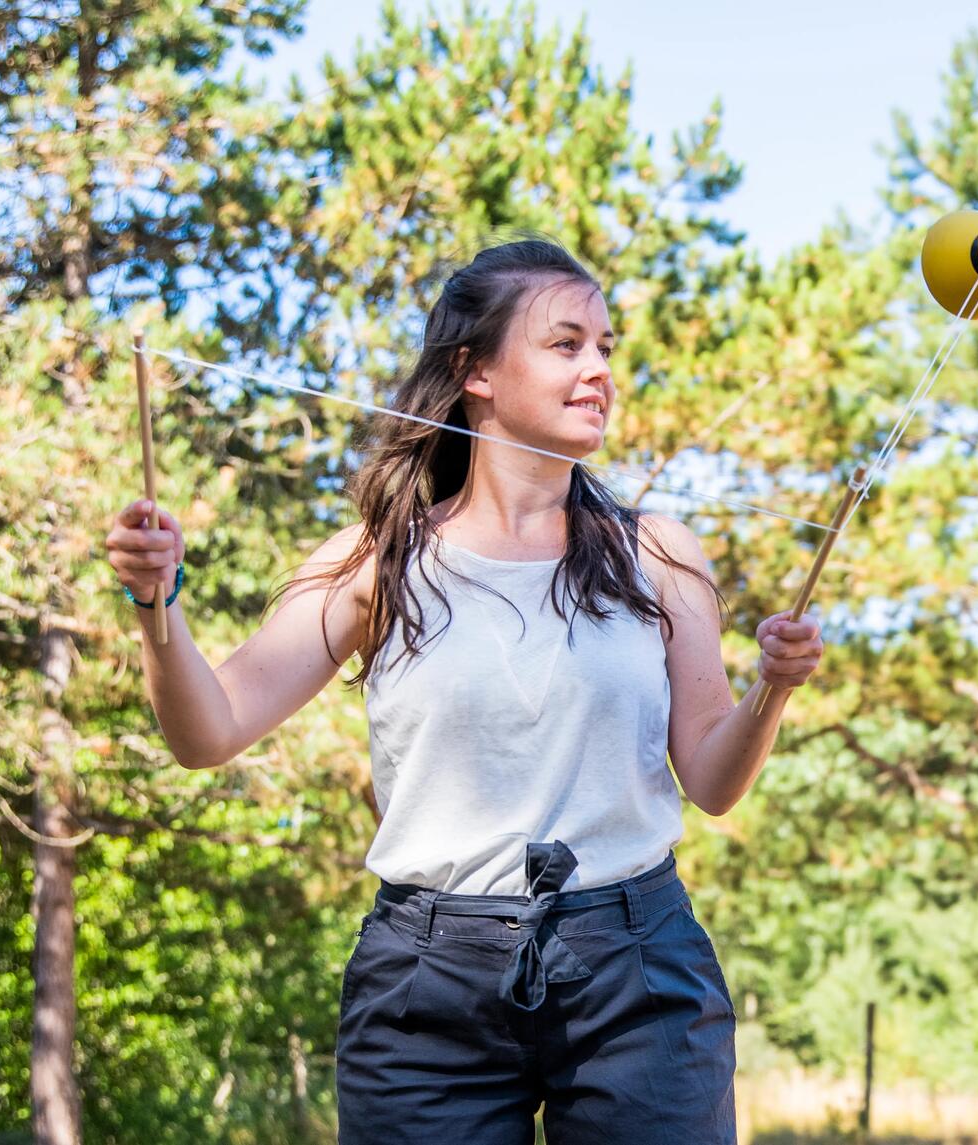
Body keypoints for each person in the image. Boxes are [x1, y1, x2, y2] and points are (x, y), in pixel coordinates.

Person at [103, 237, 825, 1143]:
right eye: (566, 344)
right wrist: (154, 604)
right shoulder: (376, 558)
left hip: (636, 969)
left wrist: (774, 687)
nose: (599, 368)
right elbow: (207, 731)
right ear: (474, 369)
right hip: (426, 983)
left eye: (606, 346)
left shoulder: (660, 555)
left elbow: (714, 783)